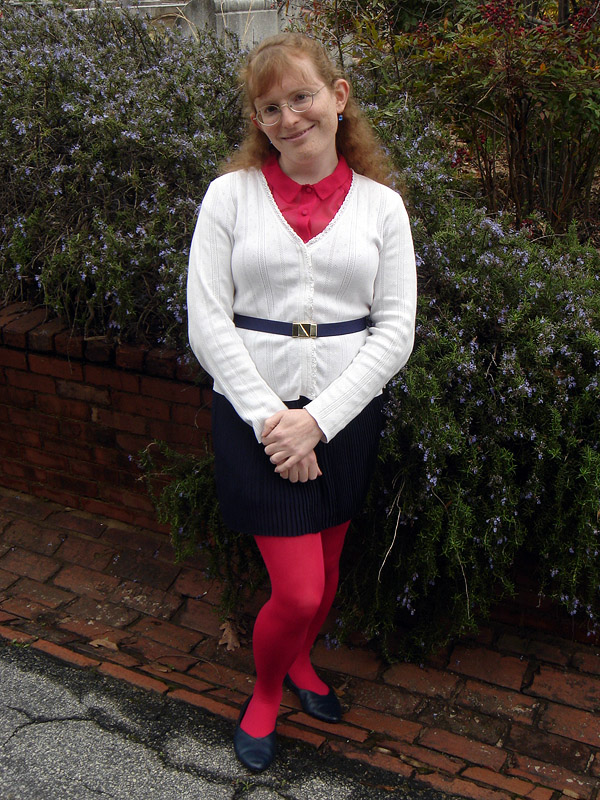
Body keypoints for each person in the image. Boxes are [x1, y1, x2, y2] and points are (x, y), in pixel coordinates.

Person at [187, 32, 417, 772]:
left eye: (302, 97)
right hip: (255, 420)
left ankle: (301, 663)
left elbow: (396, 330)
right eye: (270, 107)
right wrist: (274, 422)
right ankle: (265, 689)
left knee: (329, 570)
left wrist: (318, 421)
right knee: (298, 589)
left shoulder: (383, 208)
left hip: (344, 418)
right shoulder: (229, 198)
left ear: (338, 97)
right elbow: (207, 321)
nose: (289, 118)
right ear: (258, 120)